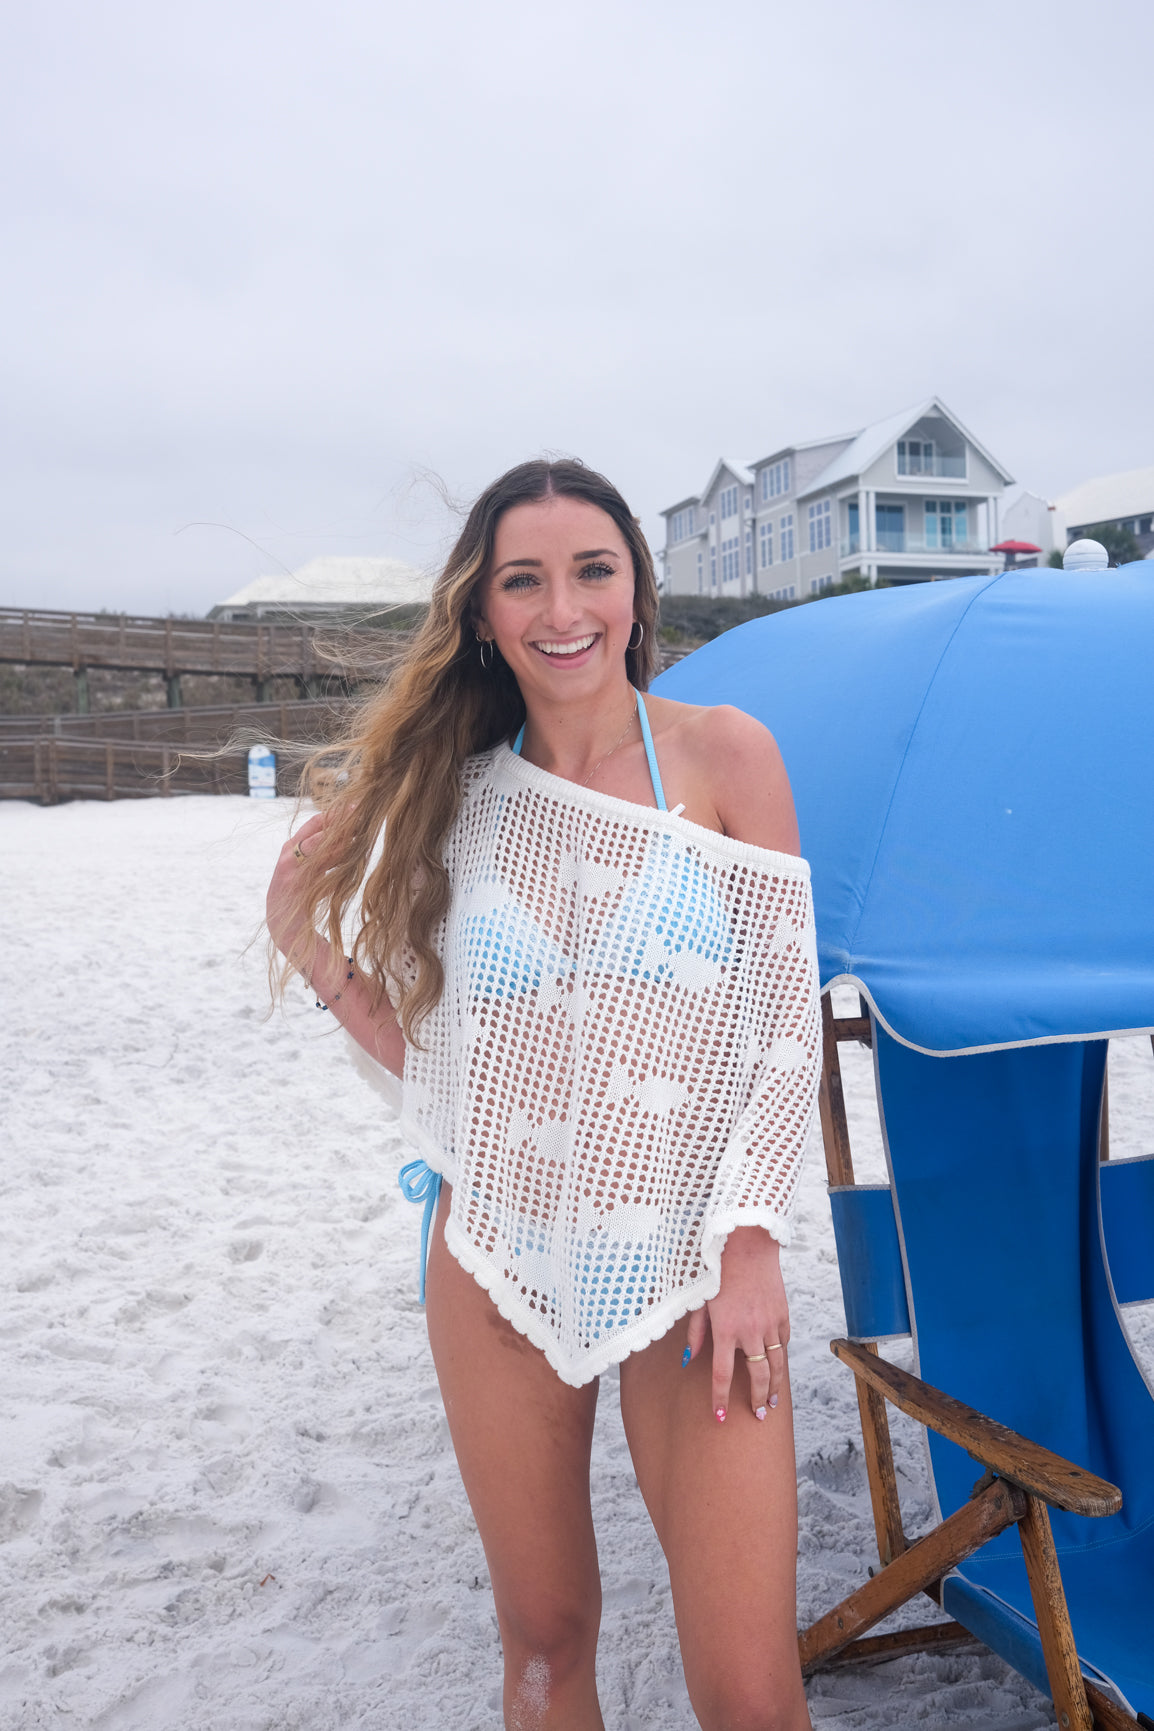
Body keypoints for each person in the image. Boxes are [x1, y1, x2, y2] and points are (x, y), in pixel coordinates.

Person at [266, 459, 822, 1731]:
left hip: (693, 1253)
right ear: (480, 611)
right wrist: (308, 944)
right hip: (497, 1240)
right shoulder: (458, 797)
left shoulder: (723, 754)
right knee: (542, 1641)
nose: (561, 609)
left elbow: (782, 1026)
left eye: (591, 571)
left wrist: (748, 1240)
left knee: (748, 1693)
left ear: (635, 589)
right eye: (522, 580)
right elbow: (454, 1070)